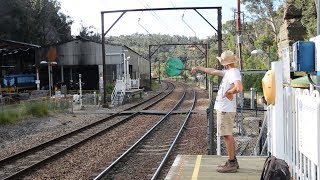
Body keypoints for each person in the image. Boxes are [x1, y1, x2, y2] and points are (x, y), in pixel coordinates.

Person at [191, 50, 243, 173]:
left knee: (227, 135)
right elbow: (212, 71)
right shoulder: (228, 72)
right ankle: (232, 161)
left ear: (225, 63)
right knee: (226, 134)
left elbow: (239, 87)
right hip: (224, 109)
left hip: (226, 109)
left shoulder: (233, 73)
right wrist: (198, 68)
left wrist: (229, 92)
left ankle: (232, 163)